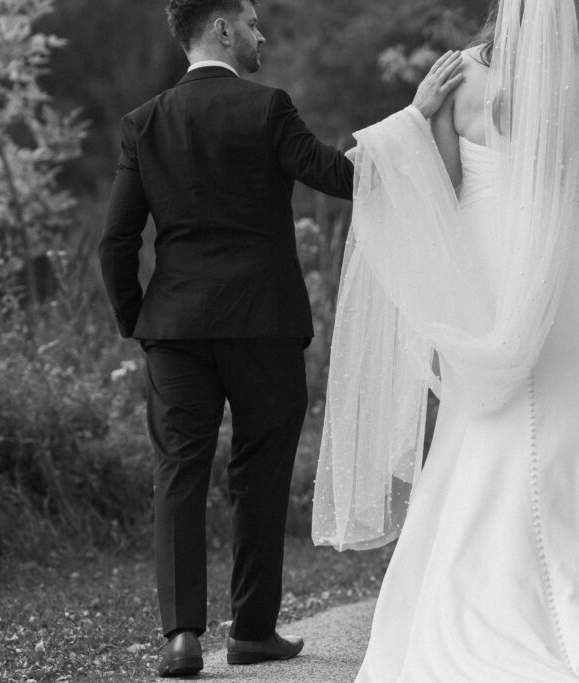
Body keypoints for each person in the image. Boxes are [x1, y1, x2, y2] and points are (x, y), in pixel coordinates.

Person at [312, 0, 579, 680]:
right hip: (578, 266)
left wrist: (418, 119)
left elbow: (436, 189)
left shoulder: (458, 78)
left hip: (484, 268)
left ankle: (473, 609)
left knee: (480, 425)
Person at [98, 0, 462, 677]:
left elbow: (115, 240)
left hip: (175, 328)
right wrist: (414, 118)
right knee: (260, 472)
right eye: (255, 23)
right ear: (223, 29)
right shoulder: (268, 110)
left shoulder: (142, 124)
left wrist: (139, 322)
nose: (262, 35)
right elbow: (343, 177)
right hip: (263, 322)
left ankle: (180, 637)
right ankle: (253, 631)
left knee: (180, 469)